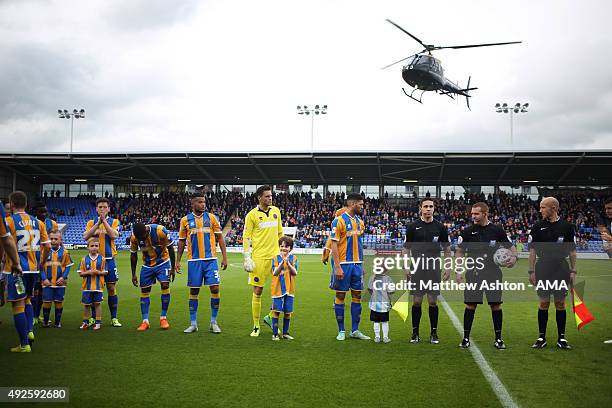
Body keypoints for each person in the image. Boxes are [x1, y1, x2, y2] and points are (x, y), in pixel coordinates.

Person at [455, 202, 517, 350]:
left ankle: (498, 339)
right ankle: (465, 338)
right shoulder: (467, 232)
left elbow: (511, 246)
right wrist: (458, 271)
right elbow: (460, 252)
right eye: (472, 214)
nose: (473, 216)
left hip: (493, 274)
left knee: (496, 305)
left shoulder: (497, 231)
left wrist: (514, 258)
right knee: (470, 305)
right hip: (473, 273)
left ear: (485, 213)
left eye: (476, 214)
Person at [4, 191, 51, 351]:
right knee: (29, 299)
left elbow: (4, 243)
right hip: (33, 269)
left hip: (16, 269)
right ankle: (30, 331)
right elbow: (48, 246)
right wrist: (41, 264)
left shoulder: (8, 221)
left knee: (17, 306)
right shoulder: (38, 223)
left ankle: (24, 344)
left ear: (11, 203)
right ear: (26, 204)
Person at [528, 197, 577, 350]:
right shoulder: (537, 226)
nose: (540, 210)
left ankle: (561, 338)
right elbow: (532, 251)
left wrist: (573, 270)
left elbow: (572, 251)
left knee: (560, 304)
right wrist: (531, 271)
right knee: (543, 303)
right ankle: (541, 337)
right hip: (542, 268)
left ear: (554, 208)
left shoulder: (567, 226)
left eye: (543, 207)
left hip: (561, 268)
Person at [403, 198, 451, 344]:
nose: (428, 209)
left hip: (434, 269)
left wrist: (448, 267)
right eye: (426, 206)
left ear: (434, 209)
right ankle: (415, 333)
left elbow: (447, 250)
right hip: (417, 268)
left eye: (431, 206)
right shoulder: (412, 226)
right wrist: (405, 266)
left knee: (432, 302)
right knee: (416, 301)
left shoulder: (441, 227)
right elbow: (406, 248)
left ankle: (433, 333)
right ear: (421, 208)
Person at [177, 193, 228, 334]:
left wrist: (224, 257)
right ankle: (193, 323)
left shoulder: (212, 218)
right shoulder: (185, 220)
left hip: (210, 260)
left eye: (204, 202)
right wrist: (177, 261)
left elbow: (220, 238)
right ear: (193, 204)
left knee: (215, 289)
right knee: (194, 291)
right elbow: (181, 241)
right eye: (199, 202)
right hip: (194, 261)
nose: (203, 204)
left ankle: (213, 322)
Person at [242, 185, 283, 337]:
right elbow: (246, 237)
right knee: (258, 291)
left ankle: (271, 318)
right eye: (266, 196)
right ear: (259, 197)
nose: (270, 198)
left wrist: (283, 253)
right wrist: (247, 256)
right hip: (259, 258)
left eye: (271, 196)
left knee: (278, 292)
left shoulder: (276, 211)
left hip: (275, 258)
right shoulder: (251, 215)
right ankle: (256, 325)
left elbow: (280, 233)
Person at [329, 193, 370, 341]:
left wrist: (362, 264)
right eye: (360, 204)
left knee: (357, 296)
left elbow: (358, 245)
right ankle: (341, 330)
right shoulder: (338, 221)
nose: (362, 206)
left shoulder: (360, 222)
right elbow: (333, 244)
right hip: (344, 265)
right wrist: (337, 267)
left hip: (357, 265)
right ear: (352, 204)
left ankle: (355, 330)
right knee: (340, 296)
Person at [83, 198, 122, 327]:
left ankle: (114, 318)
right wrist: (97, 223)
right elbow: (85, 237)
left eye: (105, 207)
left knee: (111, 288)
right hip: (95, 261)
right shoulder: (90, 222)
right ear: (96, 209)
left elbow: (113, 235)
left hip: (110, 260)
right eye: (100, 207)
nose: (102, 209)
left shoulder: (114, 221)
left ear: (109, 209)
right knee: (95, 289)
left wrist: (104, 221)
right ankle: (94, 318)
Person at [130, 222, 175, 331]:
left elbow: (171, 249)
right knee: (144, 290)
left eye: (143, 236)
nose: (142, 239)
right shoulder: (135, 237)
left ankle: (163, 318)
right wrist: (133, 274)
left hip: (163, 262)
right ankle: (145, 321)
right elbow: (133, 254)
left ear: (146, 230)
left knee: (165, 285)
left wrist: (172, 268)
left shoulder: (160, 230)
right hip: (147, 265)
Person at [0, 199, 27, 351]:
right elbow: (7, 241)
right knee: (24, 301)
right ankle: (27, 335)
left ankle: (25, 339)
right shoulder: (35, 222)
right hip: (25, 268)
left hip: (13, 268)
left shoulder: (9, 221)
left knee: (19, 302)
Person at [32, 201, 58, 325]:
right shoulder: (31, 222)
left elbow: (57, 239)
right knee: (34, 290)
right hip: (34, 258)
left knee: (43, 290)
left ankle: (38, 315)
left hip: (47, 260)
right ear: (35, 211)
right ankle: (32, 315)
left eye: (45, 211)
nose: (44, 213)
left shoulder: (52, 223)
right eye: (41, 211)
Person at [41, 230, 73, 328]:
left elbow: (68, 266)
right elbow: (40, 266)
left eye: (56, 239)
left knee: (59, 302)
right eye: (51, 239)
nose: (53, 241)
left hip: (60, 283)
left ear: (60, 240)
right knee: (47, 302)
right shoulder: (44, 251)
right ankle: (46, 322)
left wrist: (63, 277)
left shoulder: (65, 252)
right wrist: (44, 279)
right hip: (47, 283)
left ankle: (57, 322)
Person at [270, 236, 298, 341]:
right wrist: (282, 262)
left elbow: (295, 272)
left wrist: (288, 263)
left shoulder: (294, 258)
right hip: (277, 289)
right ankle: (275, 334)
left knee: (287, 312)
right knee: (276, 311)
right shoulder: (275, 258)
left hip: (290, 290)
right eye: (282, 246)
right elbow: (275, 272)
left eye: (286, 247)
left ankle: (285, 333)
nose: (283, 249)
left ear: (290, 248)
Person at [78, 237, 107, 331]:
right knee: (86, 305)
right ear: (88, 247)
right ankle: (85, 322)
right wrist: (88, 272)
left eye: (96, 246)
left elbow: (105, 272)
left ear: (99, 247)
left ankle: (98, 322)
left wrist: (98, 273)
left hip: (98, 287)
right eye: (92, 246)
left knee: (97, 304)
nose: (94, 248)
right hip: (87, 287)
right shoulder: (83, 260)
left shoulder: (102, 259)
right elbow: (81, 273)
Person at [368, 267, 395, 343]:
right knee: (385, 321)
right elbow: (390, 292)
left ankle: (377, 337)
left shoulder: (372, 278)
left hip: (374, 304)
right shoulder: (388, 278)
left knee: (376, 321)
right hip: (384, 304)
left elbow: (369, 289)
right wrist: (390, 301)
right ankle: (385, 337)